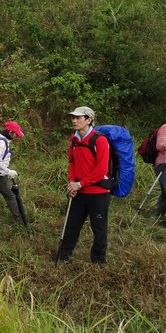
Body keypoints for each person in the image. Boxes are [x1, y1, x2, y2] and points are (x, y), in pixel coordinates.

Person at [59, 106, 111, 264]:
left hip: (98, 192)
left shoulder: (100, 140)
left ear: (89, 120)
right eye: (73, 117)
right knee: (71, 226)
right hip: (79, 191)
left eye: (78, 118)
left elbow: (101, 169)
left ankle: (98, 261)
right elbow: (72, 162)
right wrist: (72, 182)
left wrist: (79, 184)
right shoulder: (73, 139)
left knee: (99, 229)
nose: (74, 120)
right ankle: (63, 256)